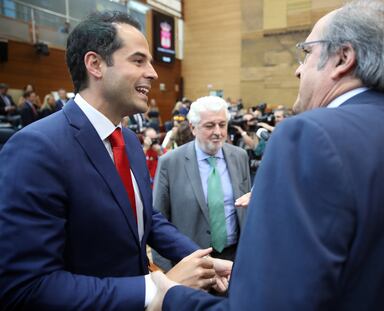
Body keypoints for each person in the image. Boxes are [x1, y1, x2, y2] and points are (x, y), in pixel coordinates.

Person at [148, 1, 384, 310]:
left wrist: (171, 296)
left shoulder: (308, 136)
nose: (298, 69)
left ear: (343, 58)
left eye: (307, 52)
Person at [0, 11, 231, 311]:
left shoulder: (129, 141)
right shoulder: (37, 148)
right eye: (138, 61)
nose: (153, 73)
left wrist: (202, 261)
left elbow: (145, 218)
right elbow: (27, 286)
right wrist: (154, 288)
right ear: (95, 64)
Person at [152, 96, 251, 271]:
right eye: (209, 125)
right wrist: (170, 274)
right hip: (191, 262)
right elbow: (158, 219)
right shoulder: (170, 162)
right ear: (193, 128)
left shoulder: (240, 156)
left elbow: (246, 210)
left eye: (222, 124)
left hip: (236, 258)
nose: (218, 132)